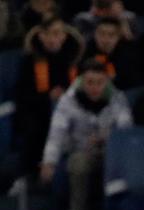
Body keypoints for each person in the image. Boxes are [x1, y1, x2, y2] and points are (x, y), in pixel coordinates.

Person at [40, 58, 132, 210]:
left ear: (107, 82)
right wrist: (49, 162)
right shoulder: (68, 100)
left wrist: (108, 137)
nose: (95, 87)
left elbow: (126, 129)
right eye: (90, 82)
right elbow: (56, 134)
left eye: (100, 82)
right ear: (81, 81)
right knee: (79, 164)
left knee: (120, 167)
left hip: (110, 153)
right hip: (80, 151)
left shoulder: (117, 98)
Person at [15, 17, 84, 174]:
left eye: (57, 33)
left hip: (69, 109)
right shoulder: (30, 60)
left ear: (64, 36)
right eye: (48, 34)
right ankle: (29, 176)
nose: (53, 38)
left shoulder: (73, 59)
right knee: (32, 126)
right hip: (38, 110)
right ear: (41, 36)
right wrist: (47, 96)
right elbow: (23, 93)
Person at [83, 16, 139, 90]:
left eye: (111, 35)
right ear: (95, 34)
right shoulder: (84, 51)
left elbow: (132, 82)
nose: (106, 39)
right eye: (102, 33)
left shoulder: (128, 53)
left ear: (118, 37)